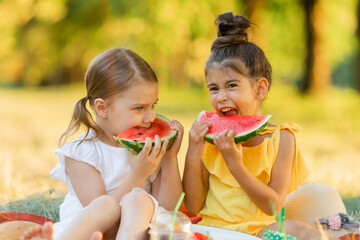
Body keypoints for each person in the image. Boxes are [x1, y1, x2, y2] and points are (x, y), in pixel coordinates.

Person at [182, 12, 338, 240]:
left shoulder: (283, 137)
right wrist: (193, 153)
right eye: (214, 88)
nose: (221, 97)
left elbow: (273, 207)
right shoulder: (211, 139)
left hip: (260, 232)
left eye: (232, 85)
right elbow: (194, 205)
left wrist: (235, 164)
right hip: (212, 230)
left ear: (260, 89)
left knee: (298, 229)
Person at [22, 48, 183, 240]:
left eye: (153, 105)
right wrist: (139, 174)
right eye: (139, 108)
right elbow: (104, 214)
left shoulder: (148, 149)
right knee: (107, 204)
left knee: (139, 200)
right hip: (89, 234)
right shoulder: (81, 153)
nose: (151, 117)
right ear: (102, 107)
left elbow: (168, 211)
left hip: (133, 232)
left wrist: (170, 158)